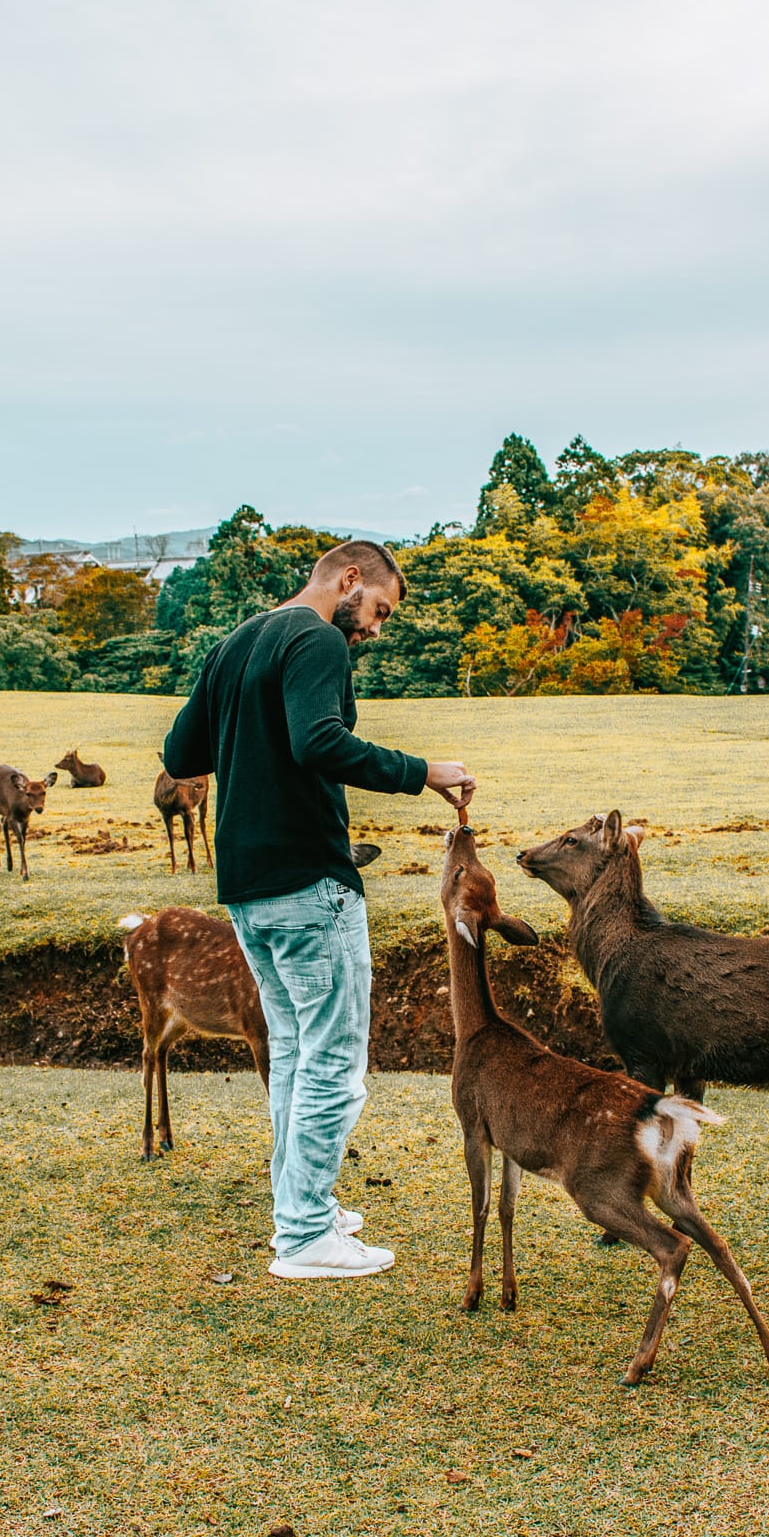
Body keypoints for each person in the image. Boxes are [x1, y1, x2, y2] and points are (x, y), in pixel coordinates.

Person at [163, 539, 476, 1281]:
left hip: (246, 884)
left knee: (299, 1055)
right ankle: (304, 1236)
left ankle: (302, 1209)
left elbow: (181, 752)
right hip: (308, 882)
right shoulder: (315, 637)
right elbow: (319, 742)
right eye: (377, 611)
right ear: (349, 579)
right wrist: (422, 772)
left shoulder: (240, 640)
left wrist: (248, 735)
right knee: (333, 1062)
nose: (373, 629)